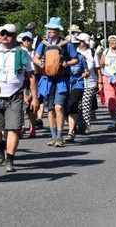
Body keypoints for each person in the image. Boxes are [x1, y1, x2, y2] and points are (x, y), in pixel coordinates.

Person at [0, 25, 38, 171]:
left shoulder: (22, 53)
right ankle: (0, 146)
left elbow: (31, 76)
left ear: (14, 35)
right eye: (2, 34)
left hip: (15, 96)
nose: (5, 36)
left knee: (13, 128)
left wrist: (34, 97)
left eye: (8, 34)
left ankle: (10, 159)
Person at [34, 17, 79, 147]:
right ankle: (53, 136)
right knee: (50, 109)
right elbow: (35, 58)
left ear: (58, 30)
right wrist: (41, 63)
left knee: (59, 107)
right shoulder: (43, 44)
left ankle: (60, 136)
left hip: (62, 80)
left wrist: (67, 63)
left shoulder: (67, 44)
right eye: (49, 29)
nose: (50, 31)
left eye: (52, 29)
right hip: (47, 80)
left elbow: (75, 59)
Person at [75, 33, 100, 135]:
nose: (79, 43)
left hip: (90, 83)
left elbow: (98, 69)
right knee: (78, 105)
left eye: (81, 41)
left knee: (86, 105)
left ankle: (85, 126)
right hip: (77, 83)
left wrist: (100, 82)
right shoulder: (74, 53)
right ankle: (79, 125)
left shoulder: (93, 53)